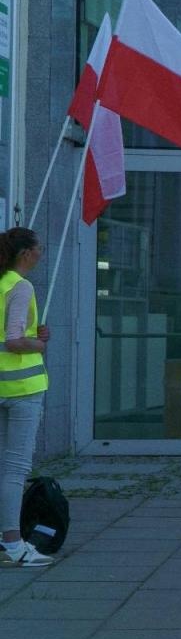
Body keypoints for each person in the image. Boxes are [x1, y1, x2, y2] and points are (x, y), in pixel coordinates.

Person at [0, 228, 51, 569]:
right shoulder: (21, 286)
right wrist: (40, 344)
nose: (42, 252)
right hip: (22, 389)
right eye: (38, 248)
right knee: (15, 469)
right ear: (25, 254)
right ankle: (13, 544)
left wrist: (36, 332)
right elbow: (14, 340)